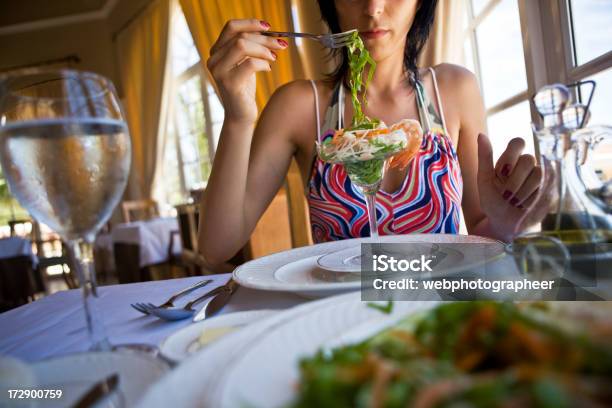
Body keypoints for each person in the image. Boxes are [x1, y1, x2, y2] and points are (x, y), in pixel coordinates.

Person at [200, 0, 544, 267]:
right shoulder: (298, 106)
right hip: (340, 318)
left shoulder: (454, 89)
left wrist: (502, 225)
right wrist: (237, 116)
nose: (373, 8)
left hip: (441, 309)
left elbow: (481, 229)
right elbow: (217, 246)